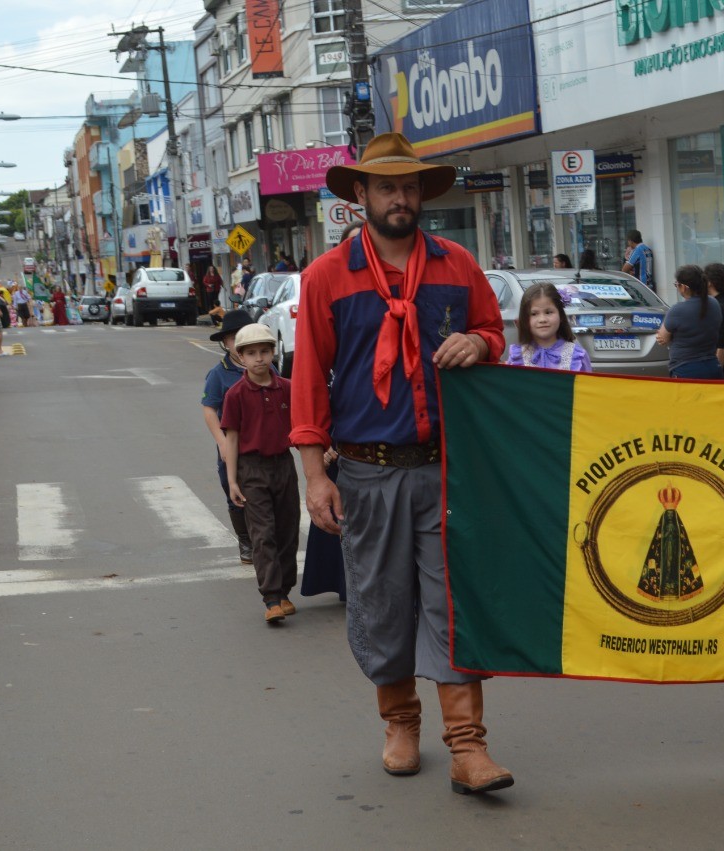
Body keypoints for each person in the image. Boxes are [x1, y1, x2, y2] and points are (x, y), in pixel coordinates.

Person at [290, 131, 512, 795]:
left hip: (446, 468)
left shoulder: (457, 265)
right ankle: (400, 723)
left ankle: (469, 745)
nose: (399, 197)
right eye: (386, 186)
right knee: (382, 604)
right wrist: (315, 475)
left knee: (453, 604)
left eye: (409, 186)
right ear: (360, 196)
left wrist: (478, 339)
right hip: (366, 471)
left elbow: (497, 332)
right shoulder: (327, 277)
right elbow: (308, 383)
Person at [221, 323, 301, 624]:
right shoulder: (236, 394)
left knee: (288, 531)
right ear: (240, 357)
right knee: (263, 533)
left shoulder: (287, 388)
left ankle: (284, 592)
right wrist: (232, 480)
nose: (259, 359)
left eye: (265, 351)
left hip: (283, 465)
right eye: (251, 353)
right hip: (251, 469)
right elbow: (232, 438)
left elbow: (298, 427)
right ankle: (270, 597)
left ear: (273, 352)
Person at [203, 309, 257, 565]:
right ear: (225, 343)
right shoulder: (219, 373)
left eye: (244, 336)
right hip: (232, 444)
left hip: (261, 441)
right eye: (233, 338)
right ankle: (246, 540)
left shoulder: (265, 366)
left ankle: (265, 538)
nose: (239, 342)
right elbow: (209, 410)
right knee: (233, 490)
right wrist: (221, 442)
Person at [506, 283, 592, 372]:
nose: (542, 319)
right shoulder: (517, 356)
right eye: (534, 314)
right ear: (525, 319)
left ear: (561, 315)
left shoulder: (577, 356)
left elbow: (587, 385)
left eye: (548, 312)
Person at [656, 264, 721, 379]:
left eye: (676, 285)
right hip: (712, 365)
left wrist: (669, 336)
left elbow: (662, 338)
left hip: (685, 369)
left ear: (684, 287)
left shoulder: (678, 310)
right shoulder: (714, 303)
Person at [703, 262, 724, 379]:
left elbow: (722, 345)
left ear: (710, 283)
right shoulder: (718, 302)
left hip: (722, 369)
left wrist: (715, 372)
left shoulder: (720, 306)